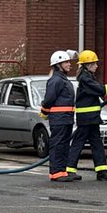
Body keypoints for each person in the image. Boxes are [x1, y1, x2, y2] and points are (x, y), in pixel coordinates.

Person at [66, 50, 107, 180]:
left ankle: (101, 171)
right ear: (87, 65)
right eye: (94, 64)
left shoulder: (88, 76)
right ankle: (70, 169)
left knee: (97, 143)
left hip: (91, 117)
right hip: (86, 118)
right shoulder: (85, 78)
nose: (97, 66)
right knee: (78, 143)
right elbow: (101, 90)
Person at [41, 49, 77, 182]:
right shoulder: (56, 80)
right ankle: (56, 172)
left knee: (64, 144)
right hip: (59, 118)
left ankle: (63, 171)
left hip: (65, 117)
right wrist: (44, 110)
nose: (69, 64)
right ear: (58, 65)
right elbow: (49, 99)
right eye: (66, 62)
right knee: (58, 144)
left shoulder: (63, 79)